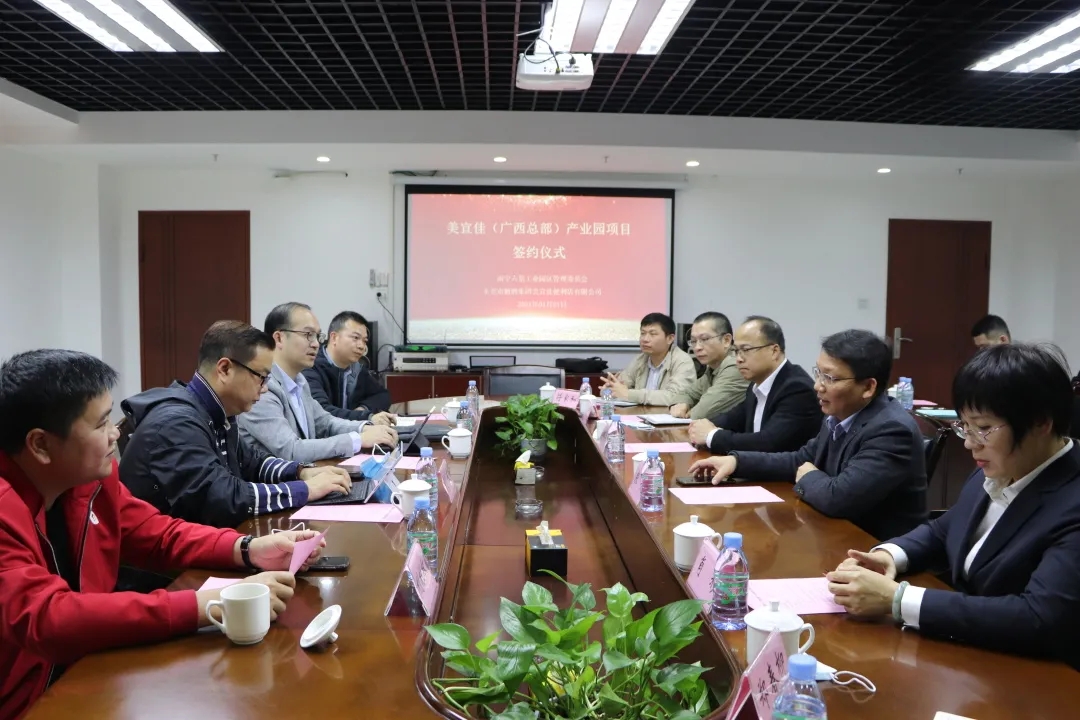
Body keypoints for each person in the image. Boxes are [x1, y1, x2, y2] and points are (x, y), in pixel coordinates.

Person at [0, 349, 322, 719]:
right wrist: (208, 605)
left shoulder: (88, 478)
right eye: (101, 424)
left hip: (89, 668)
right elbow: (48, 618)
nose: (116, 433)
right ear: (40, 445)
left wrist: (247, 548)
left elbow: (155, 533)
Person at [827, 343, 1080, 669]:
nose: (970, 443)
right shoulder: (1000, 467)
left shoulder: (1070, 497)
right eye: (965, 426)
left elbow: (1038, 618)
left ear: (1040, 423)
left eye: (984, 428)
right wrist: (888, 556)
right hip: (969, 653)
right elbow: (944, 530)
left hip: (1040, 676)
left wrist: (899, 600)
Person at [688, 329, 927, 540]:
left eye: (829, 378)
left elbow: (838, 499)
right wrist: (736, 461)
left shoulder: (891, 430)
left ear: (868, 387)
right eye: (818, 373)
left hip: (874, 551)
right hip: (835, 536)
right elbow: (800, 459)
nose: (817, 386)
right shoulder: (839, 414)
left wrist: (809, 476)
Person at [120, 321, 358, 528]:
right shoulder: (176, 423)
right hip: (164, 561)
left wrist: (301, 472)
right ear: (225, 369)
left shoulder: (216, 410)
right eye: (261, 377)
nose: (265, 388)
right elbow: (223, 498)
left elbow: (252, 462)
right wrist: (305, 490)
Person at [239, 303, 397, 464]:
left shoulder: (299, 381)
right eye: (308, 334)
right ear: (279, 338)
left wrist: (364, 427)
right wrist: (358, 439)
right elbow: (291, 450)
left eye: (317, 336)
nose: (316, 344)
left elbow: (325, 423)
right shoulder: (261, 387)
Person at [687, 316, 821, 454]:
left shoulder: (797, 389)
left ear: (774, 351)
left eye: (746, 350)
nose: (738, 359)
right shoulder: (756, 384)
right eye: (736, 351)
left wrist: (711, 436)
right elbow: (732, 418)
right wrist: (701, 427)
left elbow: (768, 443)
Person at [303, 311, 392, 420]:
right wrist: (365, 417)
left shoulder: (357, 369)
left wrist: (363, 409)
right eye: (355, 338)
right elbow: (322, 412)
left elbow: (382, 395)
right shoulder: (311, 367)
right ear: (334, 337)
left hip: (352, 428)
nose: (362, 346)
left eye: (364, 341)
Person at [599, 312, 696, 406]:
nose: (645, 339)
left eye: (652, 334)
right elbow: (618, 390)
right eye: (643, 333)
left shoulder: (683, 361)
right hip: (640, 415)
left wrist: (630, 394)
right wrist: (607, 392)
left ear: (670, 339)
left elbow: (675, 397)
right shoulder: (640, 360)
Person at [668, 311, 749, 420]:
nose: (697, 347)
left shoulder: (736, 367)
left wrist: (687, 412)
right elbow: (686, 393)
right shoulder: (712, 368)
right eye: (693, 341)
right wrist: (681, 403)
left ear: (726, 340)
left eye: (704, 339)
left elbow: (701, 413)